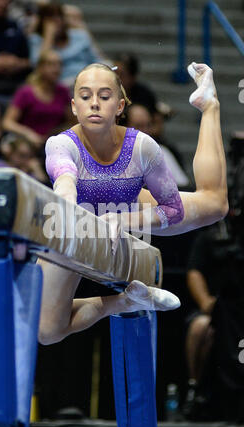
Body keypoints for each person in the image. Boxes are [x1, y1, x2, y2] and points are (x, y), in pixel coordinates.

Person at [35, 61, 228, 346]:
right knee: (47, 332)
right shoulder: (61, 144)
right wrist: (70, 210)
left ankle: (209, 104)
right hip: (75, 222)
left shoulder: (142, 147)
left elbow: (172, 209)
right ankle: (126, 301)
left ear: (120, 105)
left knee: (216, 205)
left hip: (129, 206)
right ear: (74, 106)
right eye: (86, 97)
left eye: (104, 96)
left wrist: (124, 221)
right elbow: (65, 180)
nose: (95, 104)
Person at [2, 50, 74, 149]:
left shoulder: (63, 91)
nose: (56, 69)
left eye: (59, 65)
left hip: (55, 145)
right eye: (51, 64)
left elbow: (71, 122)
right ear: (40, 68)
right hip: (28, 144)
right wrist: (28, 134)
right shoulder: (26, 92)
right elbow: (7, 122)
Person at [28, 2, 105, 88]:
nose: (56, 21)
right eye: (50, 18)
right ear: (43, 21)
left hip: (86, 81)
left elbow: (98, 61)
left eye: (59, 16)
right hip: (58, 86)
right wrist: (49, 36)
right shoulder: (37, 39)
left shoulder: (80, 36)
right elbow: (37, 66)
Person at [126, 103, 190, 188]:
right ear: (124, 127)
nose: (145, 131)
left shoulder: (162, 151)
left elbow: (184, 187)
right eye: (139, 126)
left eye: (148, 125)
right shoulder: (111, 155)